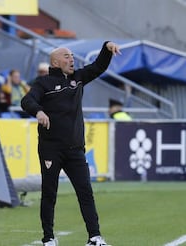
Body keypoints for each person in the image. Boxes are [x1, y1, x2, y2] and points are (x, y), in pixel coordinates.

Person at [21, 41, 121, 246]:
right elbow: (27, 101)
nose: (72, 59)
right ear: (55, 62)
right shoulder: (43, 83)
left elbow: (98, 66)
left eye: (72, 56)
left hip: (75, 149)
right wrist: (38, 111)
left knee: (85, 192)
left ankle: (94, 237)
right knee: (49, 193)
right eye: (67, 56)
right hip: (51, 148)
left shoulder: (78, 78)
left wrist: (106, 47)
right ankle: (48, 238)